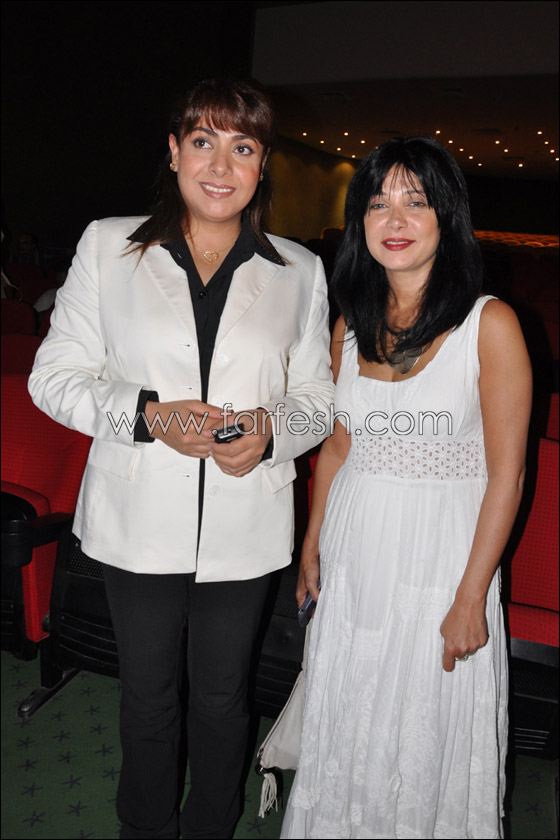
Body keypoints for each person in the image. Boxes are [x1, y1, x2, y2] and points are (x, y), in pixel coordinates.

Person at [29, 77, 334, 840]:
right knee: (148, 695)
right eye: (203, 142)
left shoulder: (300, 270)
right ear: (173, 152)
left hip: (247, 517)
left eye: (243, 147)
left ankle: (210, 827)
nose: (221, 166)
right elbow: (54, 378)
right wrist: (146, 415)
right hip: (136, 515)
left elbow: (317, 398)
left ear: (262, 164)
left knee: (225, 697)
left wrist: (272, 431)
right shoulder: (109, 245)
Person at [281, 136, 532, 839]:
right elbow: (337, 446)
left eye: (415, 202)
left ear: (446, 218)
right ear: (358, 221)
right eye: (377, 202)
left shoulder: (490, 324)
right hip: (356, 548)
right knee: (351, 702)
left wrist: (471, 596)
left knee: (425, 720)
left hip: (442, 557)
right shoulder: (348, 326)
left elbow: (508, 475)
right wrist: (312, 543)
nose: (394, 218)